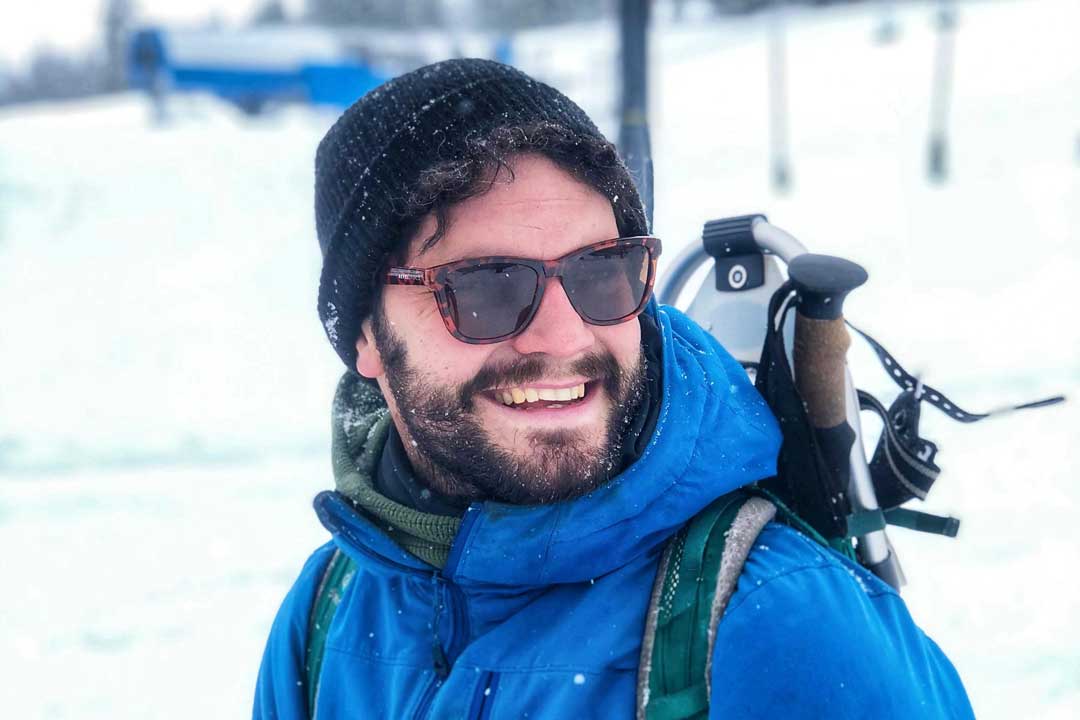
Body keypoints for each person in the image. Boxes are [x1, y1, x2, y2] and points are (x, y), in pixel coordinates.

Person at [254, 59, 973, 719]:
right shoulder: (326, 615)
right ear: (365, 339)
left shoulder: (774, 622)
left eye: (601, 272)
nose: (564, 338)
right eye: (485, 288)